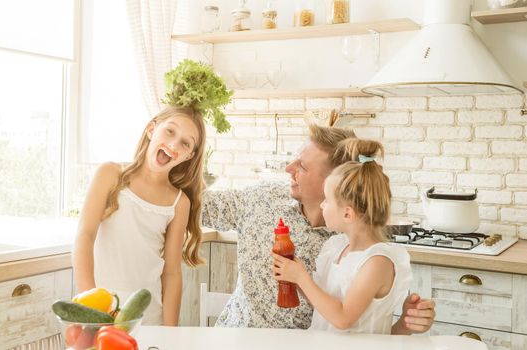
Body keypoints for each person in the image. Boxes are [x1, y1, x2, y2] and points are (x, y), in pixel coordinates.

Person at [202, 124, 435, 333]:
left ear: (335, 184)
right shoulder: (265, 199)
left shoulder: (352, 241)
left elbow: (357, 322)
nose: (288, 169)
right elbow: (199, 207)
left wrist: (408, 323)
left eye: (302, 166)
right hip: (237, 337)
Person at [73, 105, 206, 325]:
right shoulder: (110, 174)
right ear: (151, 129)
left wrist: (170, 332)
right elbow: (84, 237)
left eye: (185, 143)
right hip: (98, 313)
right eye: (170, 131)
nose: (174, 144)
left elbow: (171, 273)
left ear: (189, 156)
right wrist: (90, 308)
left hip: (147, 318)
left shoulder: (179, 202)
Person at [272, 138, 412, 334]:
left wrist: (302, 278)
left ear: (347, 214)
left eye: (327, 200)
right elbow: (324, 306)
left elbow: (343, 318)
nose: (322, 205)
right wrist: (294, 277)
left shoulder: (377, 262)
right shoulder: (336, 248)